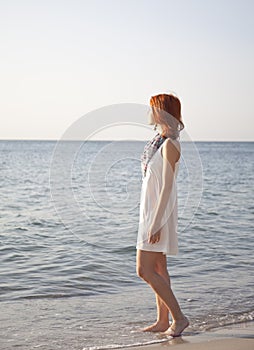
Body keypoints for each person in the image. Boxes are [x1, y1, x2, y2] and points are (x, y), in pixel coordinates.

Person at [136, 93, 189, 337]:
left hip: (158, 214)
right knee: (158, 267)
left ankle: (179, 318)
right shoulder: (160, 141)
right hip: (150, 211)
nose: (148, 113)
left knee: (144, 271)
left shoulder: (169, 145)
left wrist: (155, 222)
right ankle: (162, 320)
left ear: (161, 112)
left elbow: (167, 188)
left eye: (152, 108)